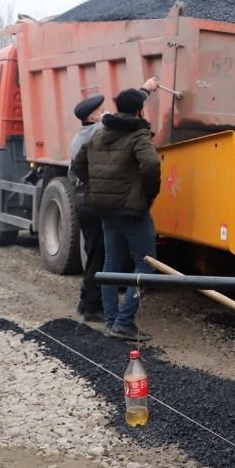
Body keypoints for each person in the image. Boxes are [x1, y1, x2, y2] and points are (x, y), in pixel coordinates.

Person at [72, 81, 161, 341]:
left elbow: (78, 166)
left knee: (110, 266)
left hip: (106, 211)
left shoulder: (99, 133)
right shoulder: (138, 135)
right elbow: (151, 164)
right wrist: (148, 194)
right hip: (133, 212)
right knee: (145, 268)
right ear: (140, 111)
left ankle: (111, 321)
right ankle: (124, 321)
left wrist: (98, 188)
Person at [70, 95, 106, 323]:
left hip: (81, 199)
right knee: (98, 255)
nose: (106, 112)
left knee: (93, 252)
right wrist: (145, 90)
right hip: (93, 201)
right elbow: (125, 116)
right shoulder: (97, 132)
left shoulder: (78, 136)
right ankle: (93, 308)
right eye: (102, 110)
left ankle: (86, 302)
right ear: (93, 117)